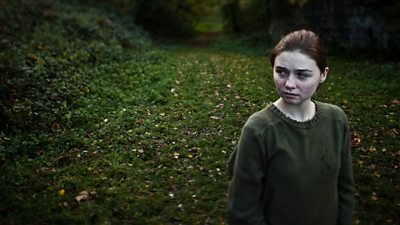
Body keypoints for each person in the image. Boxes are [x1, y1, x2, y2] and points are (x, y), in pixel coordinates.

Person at [227, 29, 354, 225]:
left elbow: (345, 186)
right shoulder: (259, 130)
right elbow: (243, 210)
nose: (289, 84)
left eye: (302, 75)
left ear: (323, 74)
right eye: (281, 72)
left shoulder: (336, 119)